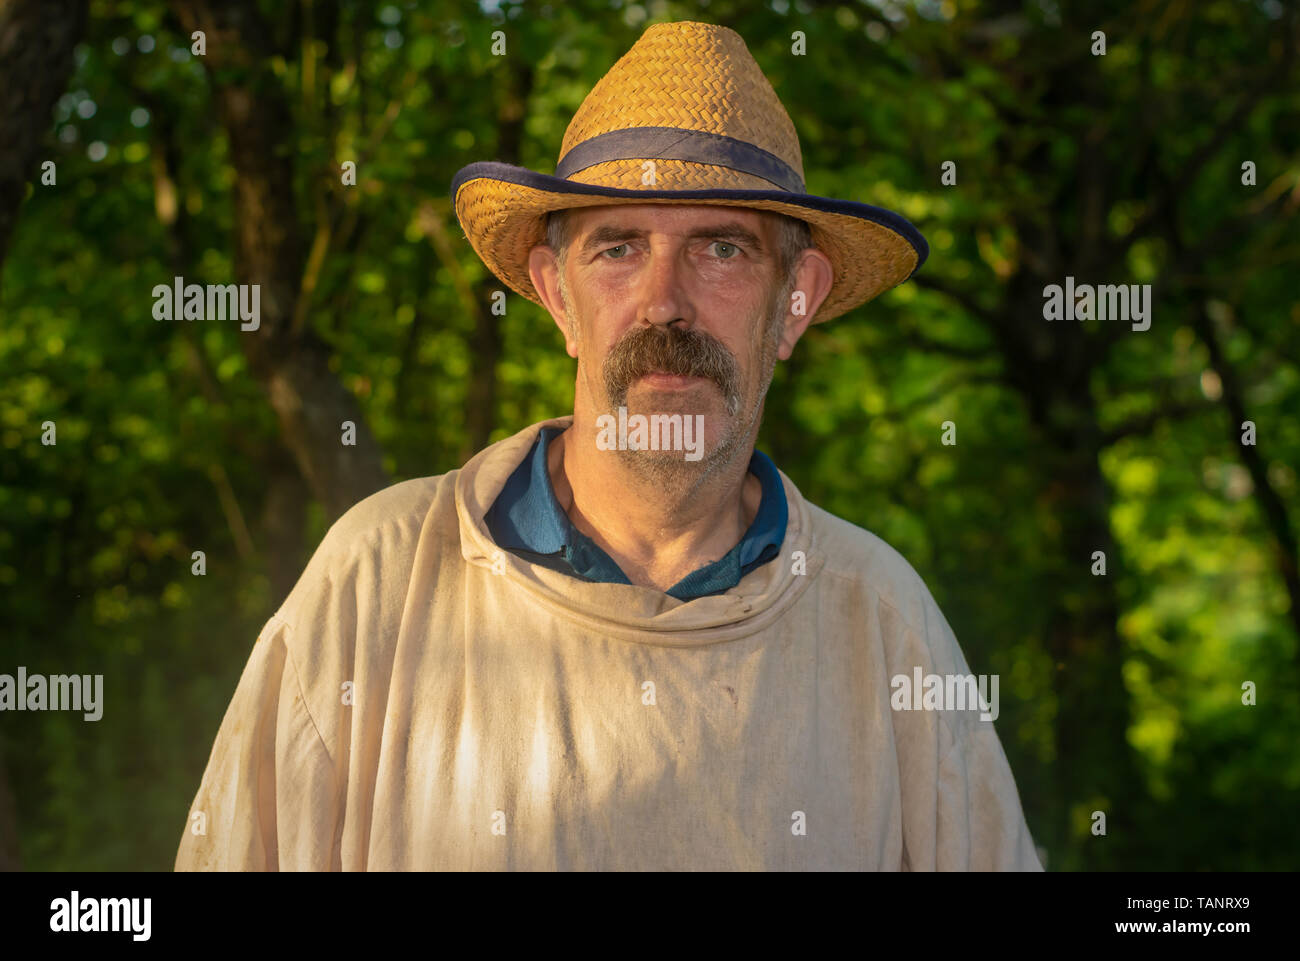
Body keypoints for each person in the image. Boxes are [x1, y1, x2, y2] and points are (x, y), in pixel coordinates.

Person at [176, 19, 1042, 871]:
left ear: (795, 302)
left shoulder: (882, 623)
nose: (663, 302)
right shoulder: (381, 581)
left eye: (722, 248)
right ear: (557, 295)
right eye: (619, 249)